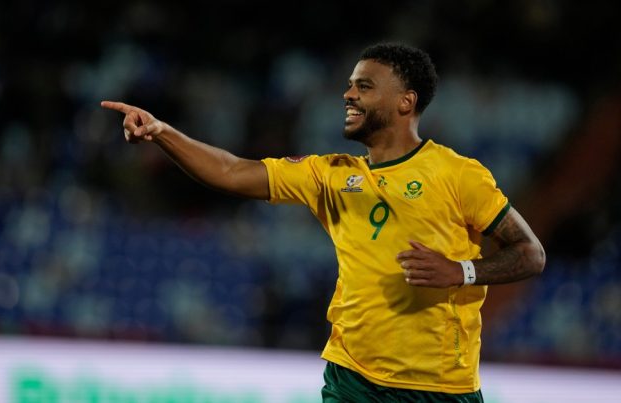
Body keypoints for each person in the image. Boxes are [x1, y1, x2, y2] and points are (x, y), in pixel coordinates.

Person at [101, 42, 545, 402]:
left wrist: (461, 271)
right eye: (350, 86)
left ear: (406, 101)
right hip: (352, 378)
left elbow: (530, 253)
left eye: (364, 87)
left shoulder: (457, 174)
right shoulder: (330, 174)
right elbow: (232, 171)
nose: (348, 95)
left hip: (440, 386)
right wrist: (162, 132)